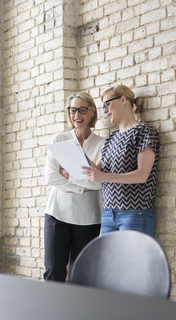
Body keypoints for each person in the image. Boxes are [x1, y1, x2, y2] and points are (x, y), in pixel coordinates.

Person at [82, 84, 160, 237]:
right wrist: (78, 155)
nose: (104, 110)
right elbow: (98, 171)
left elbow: (142, 175)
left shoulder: (144, 132)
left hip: (135, 213)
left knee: (131, 262)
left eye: (107, 104)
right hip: (108, 214)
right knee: (108, 261)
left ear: (123, 100)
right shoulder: (111, 138)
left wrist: (103, 177)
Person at [44, 92, 104, 282]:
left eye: (82, 110)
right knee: (53, 273)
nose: (77, 115)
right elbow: (52, 177)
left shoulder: (103, 144)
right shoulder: (59, 139)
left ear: (92, 112)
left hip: (88, 218)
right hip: (57, 215)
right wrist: (82, 185)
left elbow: (100, 182)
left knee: (82, 277)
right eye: (72, 110)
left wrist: (69, 175)